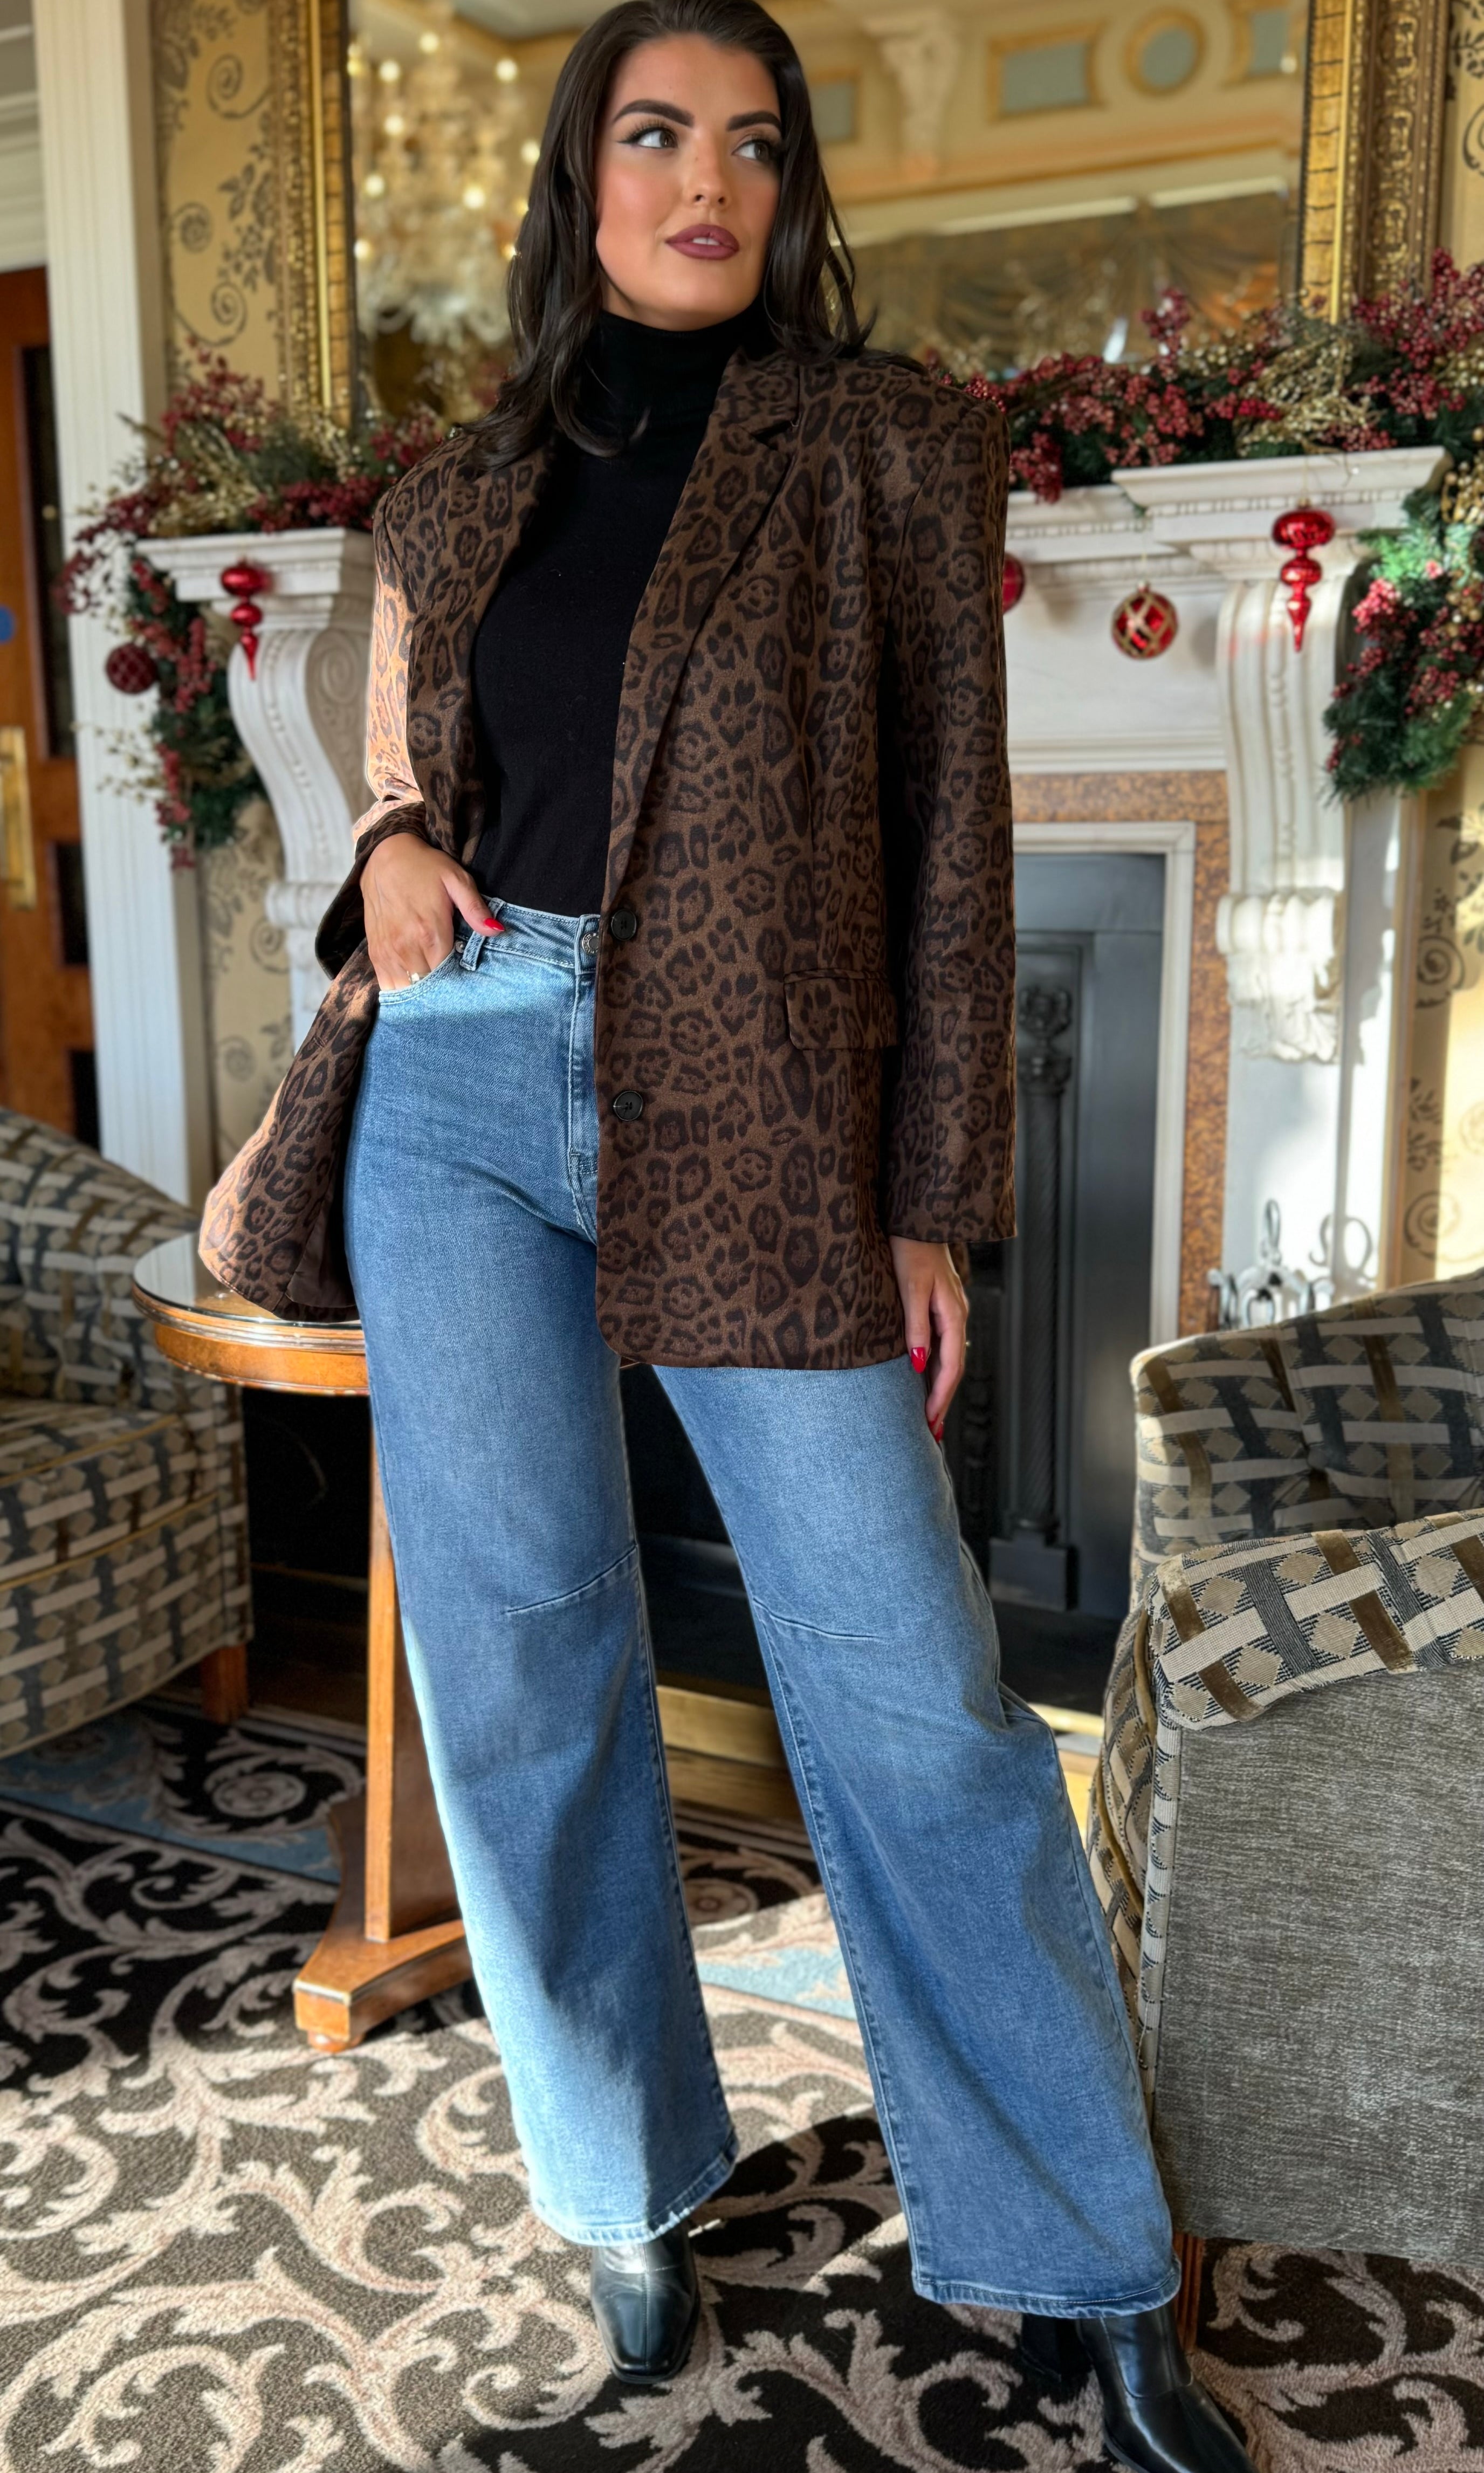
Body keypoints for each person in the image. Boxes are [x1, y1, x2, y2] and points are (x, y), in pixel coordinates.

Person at [201, 5, 1256, 2464]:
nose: (710, 183)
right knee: (519, 1659)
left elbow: (956, 836)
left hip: (764, 1107)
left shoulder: (883, 445)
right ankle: (622, 2175)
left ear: (788, 191)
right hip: (460, 1091)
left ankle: (1084, 2247)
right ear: (579, 178)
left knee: (913, 1688)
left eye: (754, 146)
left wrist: (932, 1200)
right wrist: (389, 847)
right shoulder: (455, 493)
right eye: (659, 136)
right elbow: (403, 761)